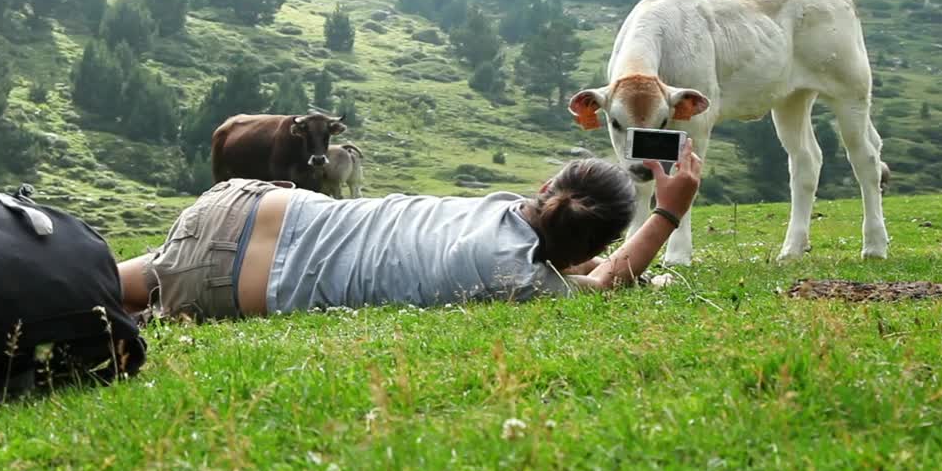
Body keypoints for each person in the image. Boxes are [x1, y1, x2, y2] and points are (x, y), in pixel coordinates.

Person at [117, 140, 703, 320]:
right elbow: (602, 279)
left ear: (544, 189)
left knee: (119, 277)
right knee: (113, 303)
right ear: (593, 245)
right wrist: (668, 212)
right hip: (227, 285)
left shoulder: (493, 206)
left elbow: (575, 255)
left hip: (243, 207)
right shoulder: (518, 280)